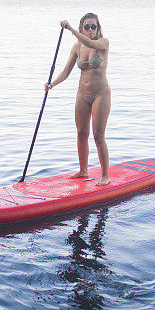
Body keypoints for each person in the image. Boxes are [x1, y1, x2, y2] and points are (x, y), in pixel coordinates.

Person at [44, 13, 111, 185]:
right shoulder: (76, 47)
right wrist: (52, 84)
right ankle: (83, 170)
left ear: (98, 28)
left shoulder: (103, 43)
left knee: (98, 135)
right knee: (81, 133)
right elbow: (66, 71)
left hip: (100, 94)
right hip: (82, 94)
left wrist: (71, 29)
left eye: (93, 27)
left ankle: (105, 175)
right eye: (86, 27)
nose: (90, 30)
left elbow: (89, 43)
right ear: (83, 28)